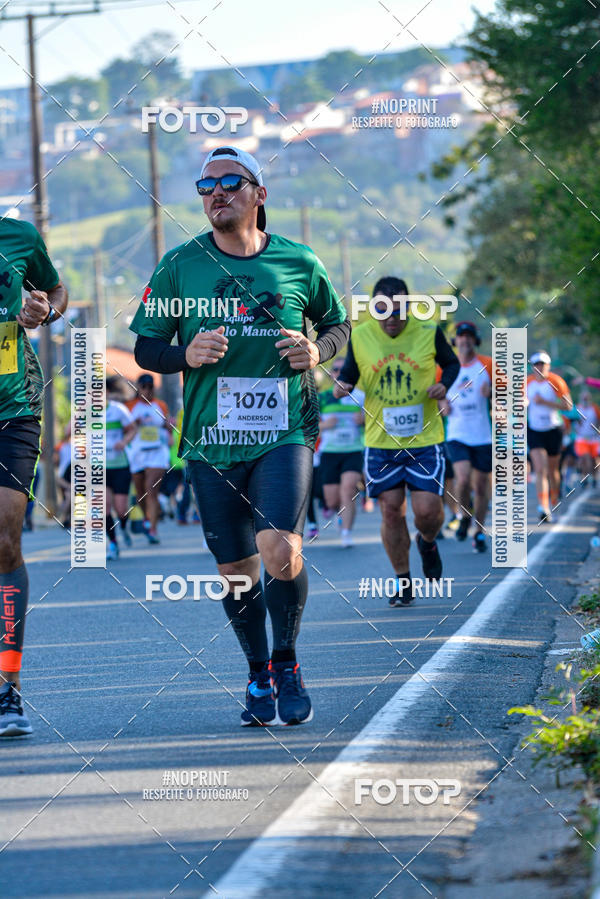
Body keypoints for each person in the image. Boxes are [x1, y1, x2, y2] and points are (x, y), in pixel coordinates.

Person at [130, 145, 350, 726]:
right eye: (205, 186)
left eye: (229, 181)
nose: (215, 193)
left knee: (281, 548)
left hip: (285, 432)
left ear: (259, 193)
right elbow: (146, 347)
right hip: (211, 441)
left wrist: (316, 351)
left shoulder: (300, 261)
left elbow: (336, 325)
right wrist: (184, 352)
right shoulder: (180, 265)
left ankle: (288, 661)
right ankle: (257, 672)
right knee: (236, 571)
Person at [335, 277, 459, 607]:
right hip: (381, 443)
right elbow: (349, 374)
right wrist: (342, 386)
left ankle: (428, 542)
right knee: (391, 511)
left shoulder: (428, 330)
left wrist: (444, 385)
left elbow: (452, 363)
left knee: (428, 512)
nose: (391, 318)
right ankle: (403, 580)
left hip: (425, 439)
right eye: (383, 310)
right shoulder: (360, 337)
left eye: (398, 311)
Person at [0, 216, 68, 736]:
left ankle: (8, 688)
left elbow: (56, 290)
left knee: (4, 540)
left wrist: (46, 310)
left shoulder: (19, 236)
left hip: (14, 408)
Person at [440, 321, 492, 552]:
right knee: (462, 479)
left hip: (482, 434)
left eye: (469, 337)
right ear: (455, 341)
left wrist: (494, 392)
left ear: (475, 340)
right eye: (461, 337)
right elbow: (432, 391)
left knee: (481, 486)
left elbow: (515, 394)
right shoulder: (444, 366)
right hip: (457, 432)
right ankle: (464, 516)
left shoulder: (488, 365)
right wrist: (442, 402)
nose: (465, 340)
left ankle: (479, 532)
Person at [318, 357, 365, 547]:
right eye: (336, 370)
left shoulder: (361, 396)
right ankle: (340, 513)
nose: (339, 373)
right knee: (332, 500)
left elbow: (379, 424)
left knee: (349, 488)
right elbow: (309, 426)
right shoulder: (323, 397)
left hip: (353, 450)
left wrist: (364, 420)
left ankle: (346, 533)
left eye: (343, 370)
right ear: (331, 374)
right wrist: (324, 425)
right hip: (329, 451)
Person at [527, 351, 572, 522]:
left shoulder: (556, 382)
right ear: (532, 367)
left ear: (548, 366)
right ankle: (543, 507)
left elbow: (568, 406)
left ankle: (554, 498)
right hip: (534, 430)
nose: (539, 368)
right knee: (540, 469)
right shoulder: (527, 382)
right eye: (536, 365)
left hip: (553, 429)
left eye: (542, 364)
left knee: (553, 471)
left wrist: (545, 402)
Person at [127, 373, 171, 544]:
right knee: (141, 494)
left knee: (151, 490)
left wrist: (168, 426)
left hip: (157, 453)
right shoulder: (130, 406)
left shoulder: (160, 406)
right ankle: (147, 517)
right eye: (143, 387)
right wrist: (134, 424)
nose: (147, 390)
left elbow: (168, 425)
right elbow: (124, 428)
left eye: (150, 387)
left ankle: (152, 530)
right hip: (137, 453)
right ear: (138, 388)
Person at [106, 377, 137, 560]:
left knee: (120, 509)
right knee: (104, 508)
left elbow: (133, 429)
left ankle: (124, 527)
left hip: (120, 465)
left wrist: (124, 441)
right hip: (99, 467)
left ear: (107, 393)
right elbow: (70, 431)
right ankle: (113, 544)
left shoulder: (118, 410)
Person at [573, 389, 600, 487]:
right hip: (581, 438)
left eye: (587, 398)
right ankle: (585, 477)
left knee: (595, 460)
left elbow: (598, 420)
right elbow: (572, 420)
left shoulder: (594, 408)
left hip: (593, 438)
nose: (585, 400)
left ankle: (594, 478)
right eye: (584, 398)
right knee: (586, 458)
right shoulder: (577, 409)